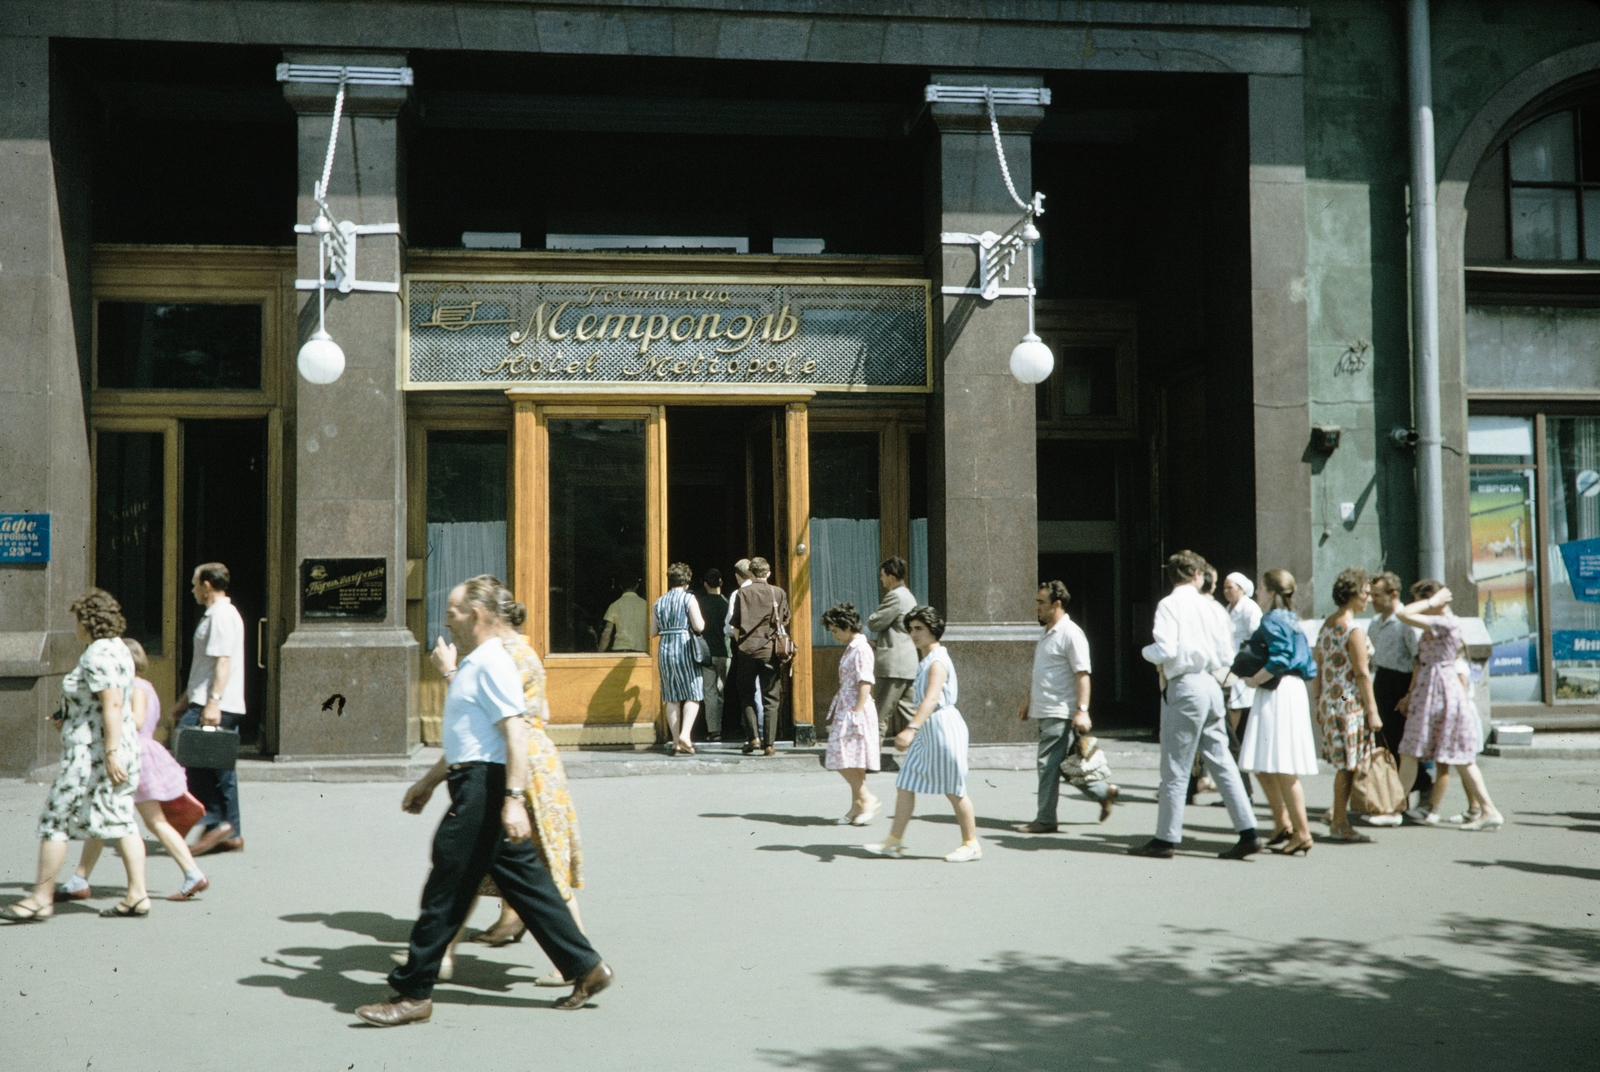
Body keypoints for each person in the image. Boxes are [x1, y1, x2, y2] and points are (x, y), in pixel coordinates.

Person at [358, 577, 611, 1027]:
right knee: (529, 887)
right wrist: (430, 783)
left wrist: (512, 800)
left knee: (445, 890)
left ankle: (413, 992)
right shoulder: (480, 661)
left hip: (483, 790)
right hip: (474, 781)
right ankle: (586, 968)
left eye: (453, 610)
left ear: (475, 614)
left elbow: (514, 732)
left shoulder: (492, 662)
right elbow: (468, 738)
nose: (447, 617)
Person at [431, 577, 586, 989]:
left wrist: (450, 674)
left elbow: (489, 717)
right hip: (524, 761)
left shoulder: (504, 655)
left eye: (455, 614)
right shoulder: (514, 650)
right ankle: (490, 934)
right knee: (490, 860)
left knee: (540, 864)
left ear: (485, 615)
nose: (450, 625)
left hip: (524, 766)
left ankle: (577, 958)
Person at [2, 590, 149, 922]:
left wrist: (109, 752)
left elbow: (111, 702)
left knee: (55, 820)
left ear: (88, 621)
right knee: (120, 818)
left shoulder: (97, 653)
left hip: (91, 754)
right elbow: (103, 703)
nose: (75, 627)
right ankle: (137, 894)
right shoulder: (120, 650)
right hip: (112, 746)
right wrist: (68, 716)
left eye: (77, 619)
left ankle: (41, 897)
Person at [59, 638, 210, 903]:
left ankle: (192, 872)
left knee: (139, 819)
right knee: (108, 815)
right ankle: (79, 878)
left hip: (134, 755)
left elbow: (138, 720)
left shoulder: (136, 687)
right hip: (141, 755)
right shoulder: (142, 686)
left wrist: (111, 715)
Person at [1133, 550, 1260, 861]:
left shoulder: (1169, 604)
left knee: (1175, 764)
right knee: (1221, 759)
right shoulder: (1213, 607)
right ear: (1198, 575)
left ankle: (1165, 838)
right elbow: (1225, 656)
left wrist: (1146, 653)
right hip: (1211, 684)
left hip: (1185, 685)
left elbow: (1164, 648)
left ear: (1174, 576)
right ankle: (1248, 831)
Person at [866, 606, 981, 862]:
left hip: (942, 728)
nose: (914, 634)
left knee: (954, 788)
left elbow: (931, 699)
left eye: (919, 629)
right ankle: (894, 841)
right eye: (911, 629)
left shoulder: (937, 660)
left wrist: (910, 728)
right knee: (905, 782)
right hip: (929, 730)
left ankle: (971, 843)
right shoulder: (928, 659)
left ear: (933, 630)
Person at [1394, 582, 1505, 831]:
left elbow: (1403, 614)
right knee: (1415, 750)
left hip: (1441, 693)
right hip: (1433, 691)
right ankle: (1395, 806)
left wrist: (1432, 602)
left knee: (1457, 756)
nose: (1423, 609)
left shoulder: (1446, 622)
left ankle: (1487, 809)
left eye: (1426, 603)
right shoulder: (1439, 623)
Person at [1017, 581, 1115, 832]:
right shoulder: (1048, 633)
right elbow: (1043, 673)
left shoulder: (1071, 634)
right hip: (1045, 708)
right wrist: (1029, 700)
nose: (1036, 607)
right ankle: (1103, 792)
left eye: (1041, 602)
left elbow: (1082, 674)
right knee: (1062, 765)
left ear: (1056, 604)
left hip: (1059, 711)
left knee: (1048, 764)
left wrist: (1083, 710)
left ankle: (1046, 819)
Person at [1236, 569, 1320, 855]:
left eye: (1260, 588)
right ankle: (1284, 823)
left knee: (1282, 766)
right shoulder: (1293, 620)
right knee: (1267, 763)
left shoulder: (1271, 619)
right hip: (1291, 691)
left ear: (1271, 592)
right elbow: (1307, 663)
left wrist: (1253, 680)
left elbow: (1280, 659)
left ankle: (1302, 832)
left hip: (1277, 691)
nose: (1257, 593)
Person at [1313, 567, 1389, 842]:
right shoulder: (1353, 630)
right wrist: (1372, 711)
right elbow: (1361, 674)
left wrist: (1318, 700)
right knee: (1349, 765)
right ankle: (1339, 822)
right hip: (1347, 700)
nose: (1368, 599)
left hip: (1333, 700)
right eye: (1365, 594)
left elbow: (1319, 665)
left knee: (1347, 764)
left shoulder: (1328, 624)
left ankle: (1337, 814)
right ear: (1352, 595)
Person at [179, 562, 247, 857]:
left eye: (195, 584)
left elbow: (222, 661)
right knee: (218, 769)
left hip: (217, 703)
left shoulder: (220, 615)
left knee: (196, 759)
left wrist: (213, 702)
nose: (192, 589)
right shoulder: (217, 615)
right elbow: (204, 668)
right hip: (208, 699)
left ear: (207, 585)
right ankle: (227, 829)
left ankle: (219, 824)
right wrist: (185, 701)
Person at [1368, 571, 1430, 803]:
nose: (1372, 600)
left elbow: (1418, 659)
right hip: (1382, 680)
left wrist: (1408, 695)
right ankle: (1395, 795)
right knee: (1384, 741)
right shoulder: (1375, 623)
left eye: (1377, 595)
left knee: (1400, 742)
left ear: (1392, 594)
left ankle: (1420, 785)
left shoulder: (1405, 623)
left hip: (1401, 684)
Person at [822, 602, 881, 824]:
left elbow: (865, 682)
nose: (834, 635)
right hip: (848, 705)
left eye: (835, 631)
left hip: (855, 707)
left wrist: (856, 712)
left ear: (846, 626)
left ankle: (866, 798)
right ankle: (857, 806)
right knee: (853, 757)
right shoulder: (854, 647)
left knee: (840, 755)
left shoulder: (861, 648)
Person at [729, 557, 789, 756]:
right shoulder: (778, 592)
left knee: (746, 695)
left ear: (751, 573)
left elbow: (735, 624)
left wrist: (740, 644)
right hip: (770, 650)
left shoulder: (742, 593)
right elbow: (785, 619)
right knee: (770, 697)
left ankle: (753, 738)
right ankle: (769, 744)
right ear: (768, 573)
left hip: (746, 650)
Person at [652, 562, 706, 755]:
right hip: (684, 646)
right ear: (687, 580)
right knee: (692, 692)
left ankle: (675, 742)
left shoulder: (659, 602)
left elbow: (652, 631)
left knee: (671, 696)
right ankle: (685, 735)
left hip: (665, 648)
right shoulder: (688, 599)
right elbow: (699, 626)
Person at [1220, 571, 1262, 799]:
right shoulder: (1228, 610)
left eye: (1231, 587)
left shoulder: (1249, 608)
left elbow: (1257, 639)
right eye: (1225, 587)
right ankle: (1238, 789)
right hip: (1230, 671)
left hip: (1242, 675)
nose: (1227, 591)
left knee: (1231, 734)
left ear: (1242, 589)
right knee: (1231, 735)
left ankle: (1241, 790)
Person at [867, 556, 918, 740]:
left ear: (891, 576)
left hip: (892, 666)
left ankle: (871, 760)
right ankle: (928, 754)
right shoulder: (909, 596)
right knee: (912, 715)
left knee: (879, 715)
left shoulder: (895, 596)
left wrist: (872, 618)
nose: (881, 579)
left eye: (882, 575)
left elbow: (875, 623)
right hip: (907, 664)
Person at [695, 569, 730, 742]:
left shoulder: (699, 603)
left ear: (705, 584)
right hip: (725, 652)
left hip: (706, 653)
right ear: (721, 583)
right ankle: (722, 725)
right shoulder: (728, 603)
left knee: (709, 692)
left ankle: (714, 730)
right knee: (720, 691)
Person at [598, 579, 648, 653]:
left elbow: (607, 633)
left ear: (621, 587)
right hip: (642, 651)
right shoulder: (646, 605)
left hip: (620, 651)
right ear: (637, 586)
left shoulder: (615, 605)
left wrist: (599, 653)